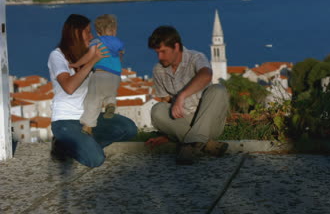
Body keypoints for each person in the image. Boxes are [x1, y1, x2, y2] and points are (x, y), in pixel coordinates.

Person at [47, 14, 137, 168]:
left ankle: (81, 144)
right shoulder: (57, 56)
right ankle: (64, 143)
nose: (91, 35)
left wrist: (114, 56)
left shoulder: (89, 51)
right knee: (96, 160)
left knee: (129, 128)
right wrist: (92, 61)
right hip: (65, 120)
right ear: (75, 34)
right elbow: (69, 87)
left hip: (88, 116)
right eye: (87, 32)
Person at [148, 25, 229, 165]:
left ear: (176, 47)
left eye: (163, 52)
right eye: (157, 53)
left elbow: (206, 75)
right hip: (183, 121)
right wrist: (168, 135)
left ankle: (188, 144)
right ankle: (204, 144)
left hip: (208, 122)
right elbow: (166, 102)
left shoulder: (196, 58)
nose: (160, 57)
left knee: (218, 90)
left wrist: (181, 96)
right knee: (157, 110)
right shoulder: (158, 70)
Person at [70, 14, 124, 135]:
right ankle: (111, 103)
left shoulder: (97, 41)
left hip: (101, 74)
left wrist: (77, 63)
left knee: (93, 100)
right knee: (110, 92)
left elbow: (89, 56)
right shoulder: (119, 42)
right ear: (114, 30)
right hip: (115, 76)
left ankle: (88, 126)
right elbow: (120, 56)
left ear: (98, 32)